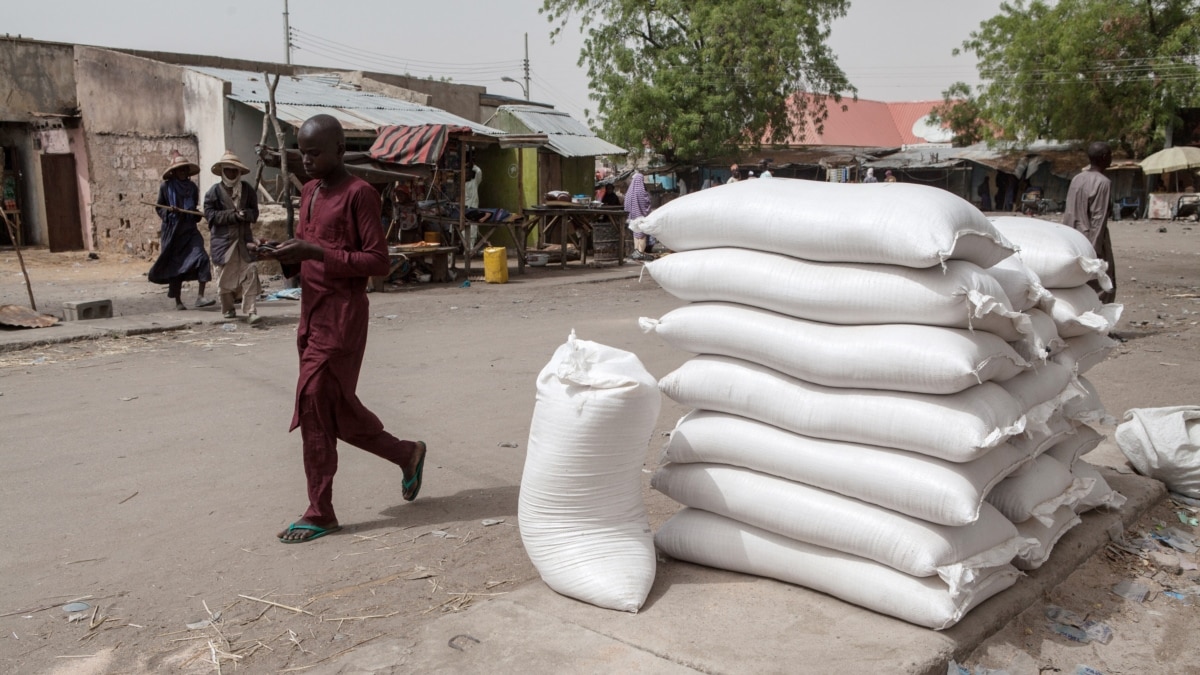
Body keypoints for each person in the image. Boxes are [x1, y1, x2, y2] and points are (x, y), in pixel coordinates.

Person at [267, 114, 427, 544]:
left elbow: (377, 263)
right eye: (303, 151)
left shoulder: (360, 195)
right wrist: (280, 254)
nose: (307, 160)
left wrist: (314, 251)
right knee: (331, 410)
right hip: (310, 315)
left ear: (340, 149)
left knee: (316, 401)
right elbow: (308, 254)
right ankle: (406, 453)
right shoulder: (308, 192)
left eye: (315, 152)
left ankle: (320, 511)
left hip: (342, 318)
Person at [148, 151, 214, 310]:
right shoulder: (166, 187)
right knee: (175, 267)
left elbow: (194, 209)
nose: (183, 172)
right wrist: (170, 212)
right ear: (174, 172)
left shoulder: (192, 187)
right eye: (180, 169)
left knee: (202, 257)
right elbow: (159, 208)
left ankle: (200, 297)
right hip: (173, 233)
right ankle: (178, 301)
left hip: (190, 231)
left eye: (185, 169)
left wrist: (197, 214)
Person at [203, 150, 262, 324]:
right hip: (223, 243)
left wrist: (246, 215)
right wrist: (232, 215)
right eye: (228, 170)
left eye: (234, 170)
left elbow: (255, 213)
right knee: (223, 278)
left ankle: (251, 311)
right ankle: (228, 309)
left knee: (250, 271)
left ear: (238, 172)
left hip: (244, 242)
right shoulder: (213, 192)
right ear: (222, 171)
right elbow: (210, 216)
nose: (231, 173)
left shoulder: (248, 190)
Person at [1063, 141, 1116, 303]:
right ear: (1105, 157)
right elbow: (1098, 218)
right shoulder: (1103, 183)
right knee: (1103, 281)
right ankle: (1098, 319)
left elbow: (1070, 210)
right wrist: (1095, 251)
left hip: (1070, 237)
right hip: (1091, 239)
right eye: (1110, 155)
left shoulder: (1077, 179)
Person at [625, 170, 652, 258]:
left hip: (632, 217)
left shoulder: (629, 192)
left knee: (635, 234)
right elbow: (646, 203)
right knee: (642, 236)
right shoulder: (641, 192)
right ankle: (641, 253)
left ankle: (636, 252)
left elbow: (626, 205)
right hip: (641, 217)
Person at [464, 159, 483, 251]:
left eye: (468, 172)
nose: (466, 174)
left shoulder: (474, 182)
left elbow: (479, 172)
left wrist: (473, 166)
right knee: (464, 229)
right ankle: (466, 248)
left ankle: (471, 248)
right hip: (465, 209)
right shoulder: (462, 185)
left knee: (473, 229)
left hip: (474, 208)